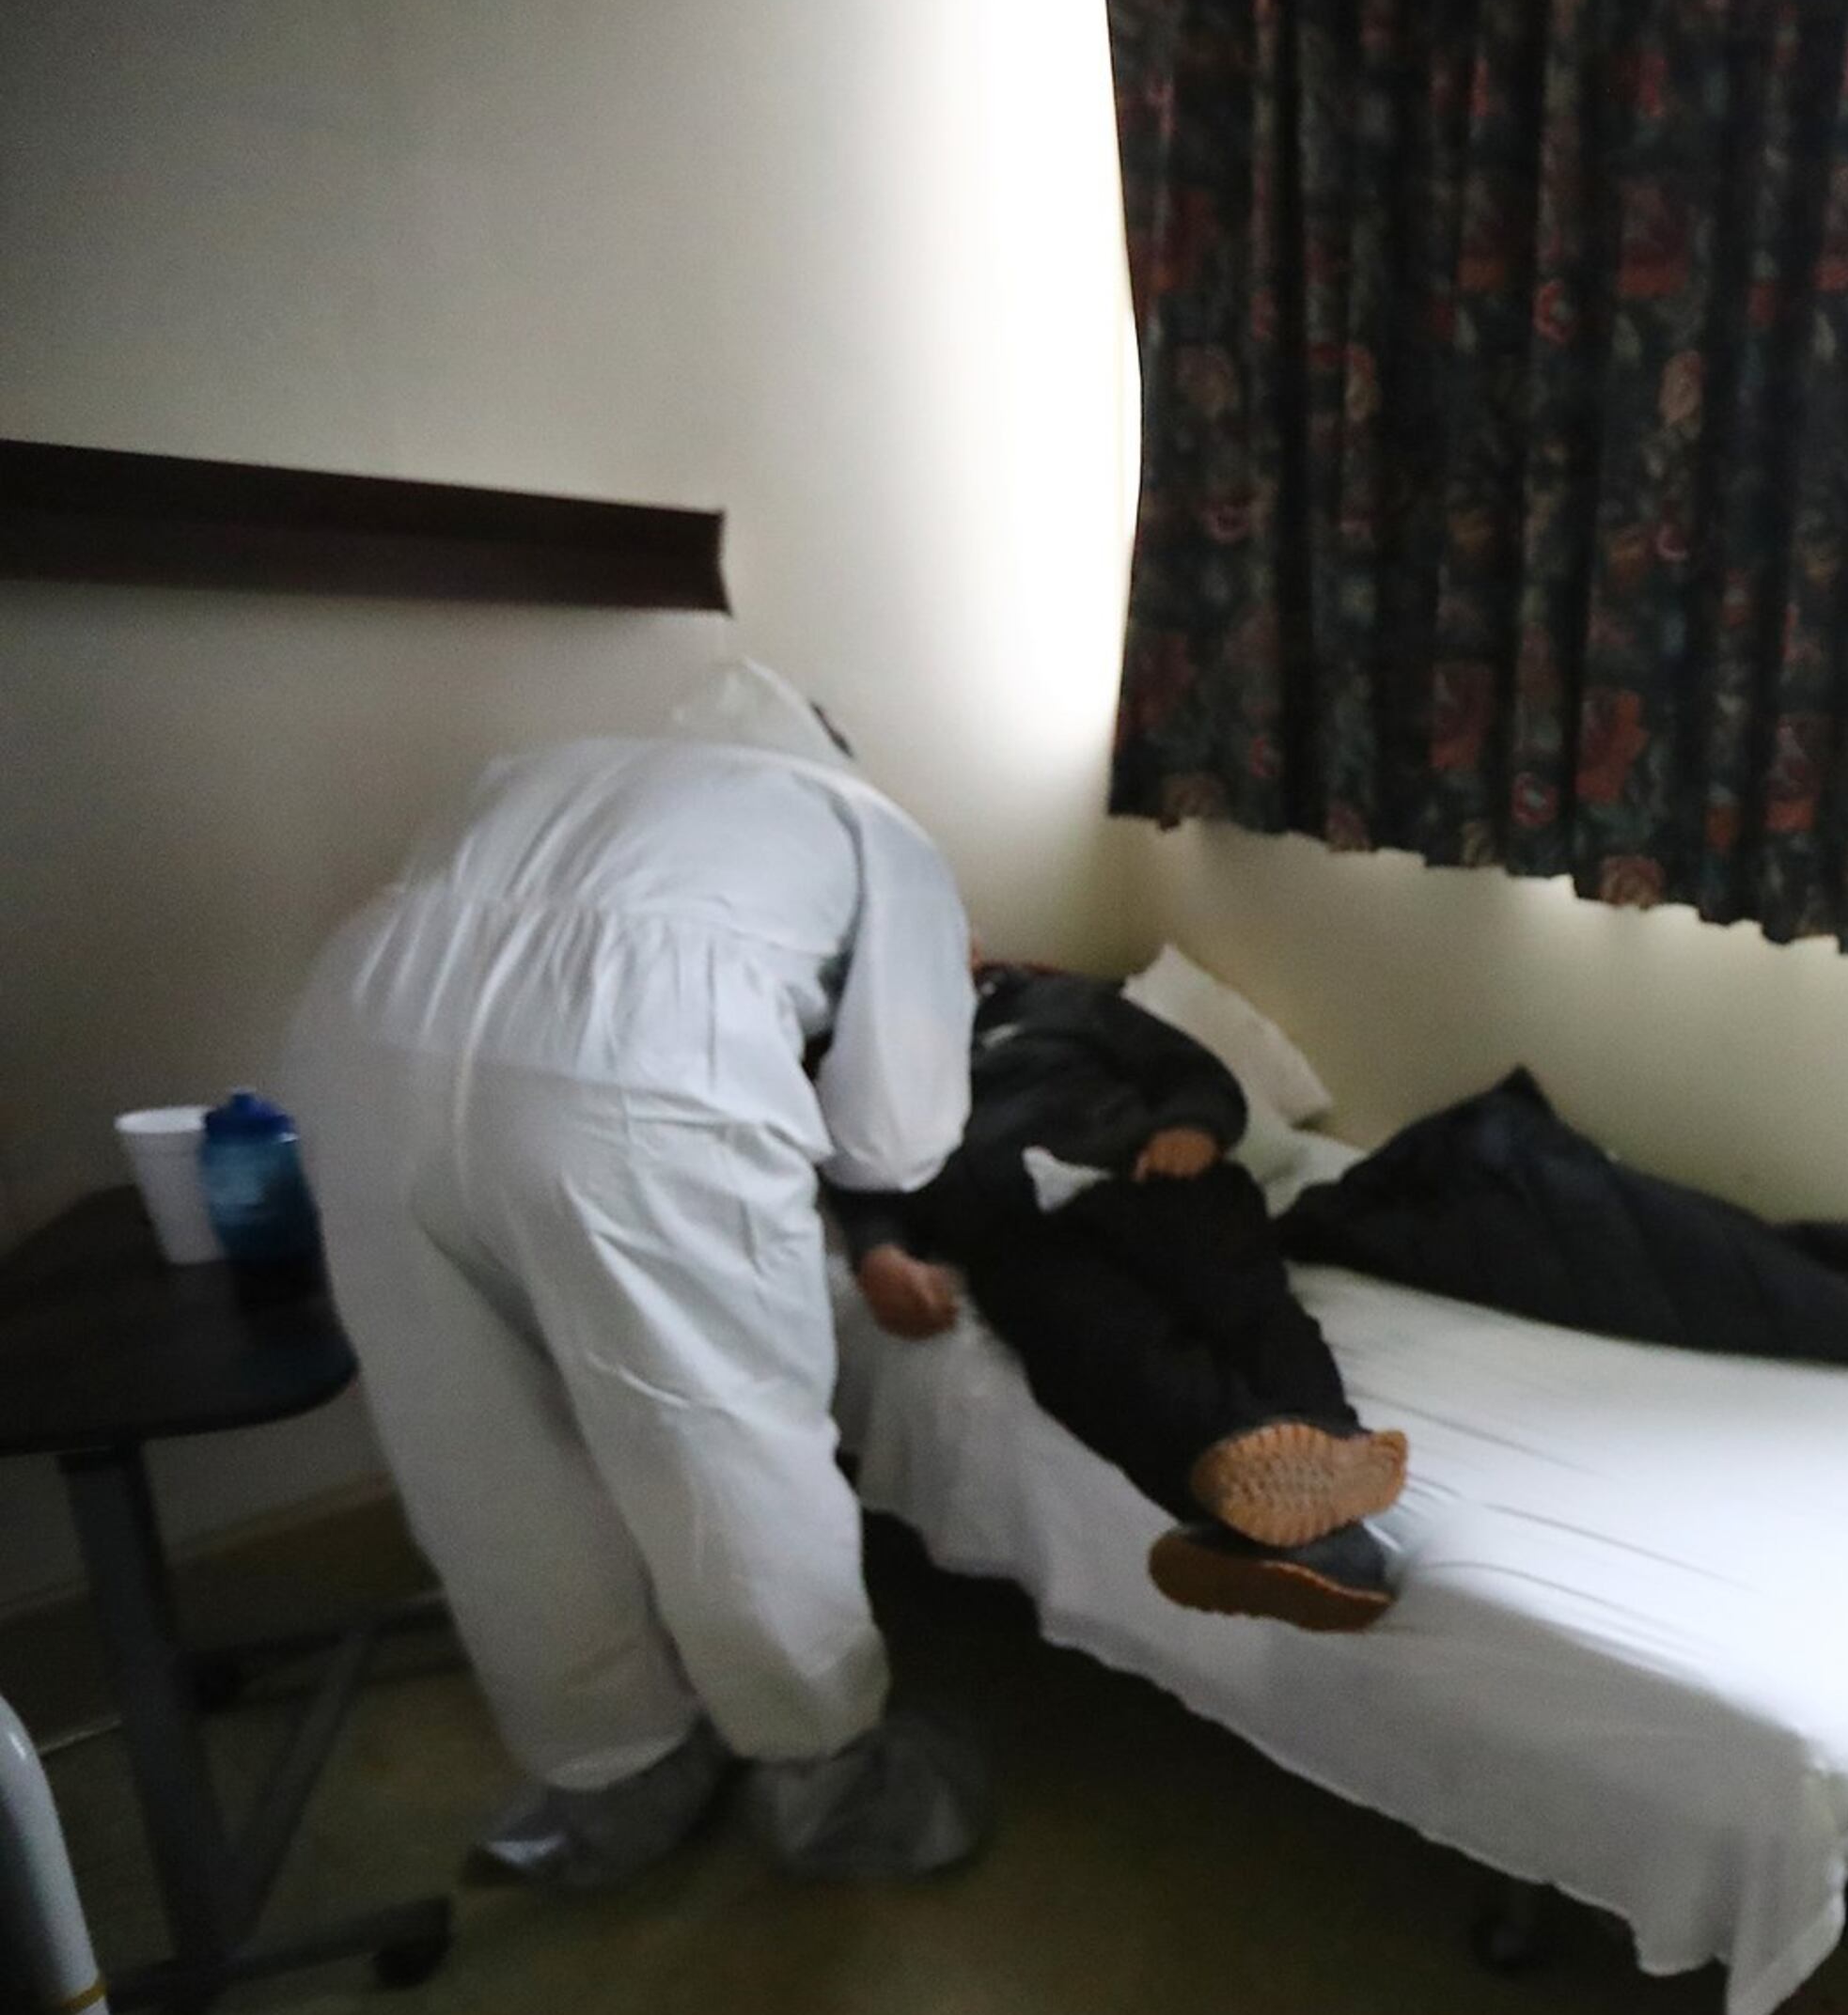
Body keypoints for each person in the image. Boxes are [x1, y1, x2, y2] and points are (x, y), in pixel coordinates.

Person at [284, 665, 991, 1888]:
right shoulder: (866, 823)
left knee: (481, 1457)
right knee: (725, 1449)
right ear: (835, 750)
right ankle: (826, 1777)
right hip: (633, 1080)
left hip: (360, 1053)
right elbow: (895, 1135)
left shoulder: (537, 774)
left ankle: (612, 1775)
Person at [835, 961, 1408, 1631]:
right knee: (1110, 1354)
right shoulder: (857, 1061)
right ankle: (1328, 1504)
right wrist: (878, 1251)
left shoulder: (1059, 1000)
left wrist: (1192, 1126)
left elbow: (1193, 1072)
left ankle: (1283, 1507)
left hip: (1149, 1177)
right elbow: (859, 1171)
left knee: (1238, 1300)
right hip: (1018, 1231)